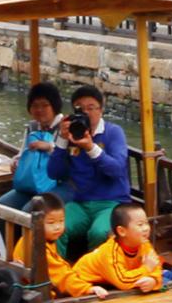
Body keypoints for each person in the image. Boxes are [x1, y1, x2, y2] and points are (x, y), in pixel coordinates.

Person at [46, 85, 132, 262]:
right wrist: (62, 141)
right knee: (54, 227)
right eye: (80, 109)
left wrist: (90, 148)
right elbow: (54, 173)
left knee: (99, 232)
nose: (86, 113)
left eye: (91, 108)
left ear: (100, 110)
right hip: (81, 203)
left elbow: (116, 169)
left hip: (112, 203)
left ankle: (95, 276)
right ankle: (57, 274)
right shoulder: (70, 136)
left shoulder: (113, 132)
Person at [0, 82, 68, 213]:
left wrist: (49, 147)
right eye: (35, 106)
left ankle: (26, 234)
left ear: (55, 106)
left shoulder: (65, 127)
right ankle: (11, 234)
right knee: (1, 206)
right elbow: (22, 153)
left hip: (57, 184)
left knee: (29, 210)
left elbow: (68, 162)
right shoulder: (32, 127)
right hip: (32, 182)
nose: (39, 110)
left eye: (45, 105)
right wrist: (15, 162)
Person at [7, 195, 95, 299]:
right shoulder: (37, 246)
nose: (57, 227)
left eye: (61, 221)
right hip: (35, 292)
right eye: (51, 223)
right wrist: (86, 289)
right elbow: (61, 276)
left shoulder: (37, 238)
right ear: (35, 222)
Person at [70, 202, 163, 295]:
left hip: (110, 282)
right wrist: (146, 269)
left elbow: (156, 264)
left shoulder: (144, 243)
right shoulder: (110, 252)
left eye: (146, 223)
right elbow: (123, 282)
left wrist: (154, 280)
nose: (146, 228)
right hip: (83, 283)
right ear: (122, 231)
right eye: (140, 224)